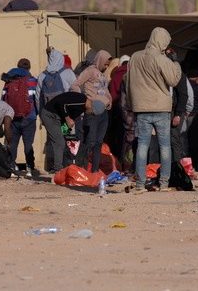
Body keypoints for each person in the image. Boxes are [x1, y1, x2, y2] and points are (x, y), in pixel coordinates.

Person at [126, 27, 182, 193]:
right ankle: (164, 183)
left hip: (141, 108)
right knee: (165, 146)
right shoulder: (161, 59)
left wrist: (132, 104)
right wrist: (175, 62)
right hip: (161, 108)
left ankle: (140, 184)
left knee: (143, 145)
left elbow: (128, 83)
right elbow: (174, 80)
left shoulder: (135, 57)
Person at [37, 49, 78, 173]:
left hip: (50, 115)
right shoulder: (68, 73)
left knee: (55, 140)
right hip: (66, 115)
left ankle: (56, 166)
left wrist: (41, 115)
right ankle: (70, 166)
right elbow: (76, 92)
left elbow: (38, 98)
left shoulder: (42, 76)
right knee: (69, 137)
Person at [72, 50, 113, 173]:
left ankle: (94, 170)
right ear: (100, 60)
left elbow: (105, 90)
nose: (106, 67)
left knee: (99, 142)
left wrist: (109, 100)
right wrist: (85, 101)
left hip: (104, 113)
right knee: (90, 141)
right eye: (105, 64)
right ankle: (82, 168)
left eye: (107, 65)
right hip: (92, 112)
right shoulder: (90, 71)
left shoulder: (103, 75)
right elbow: (75, 85)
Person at [2, 58, 40, 178]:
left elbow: (3, 98)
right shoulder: (33, 81)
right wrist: (37, 113)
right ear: (29, 68)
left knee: (12, 143)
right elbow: (37, 99)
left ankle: (11, 166)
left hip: (12, 117)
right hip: (29, 117)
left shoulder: (8, 81)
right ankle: (29, 168)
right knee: (28, 144)